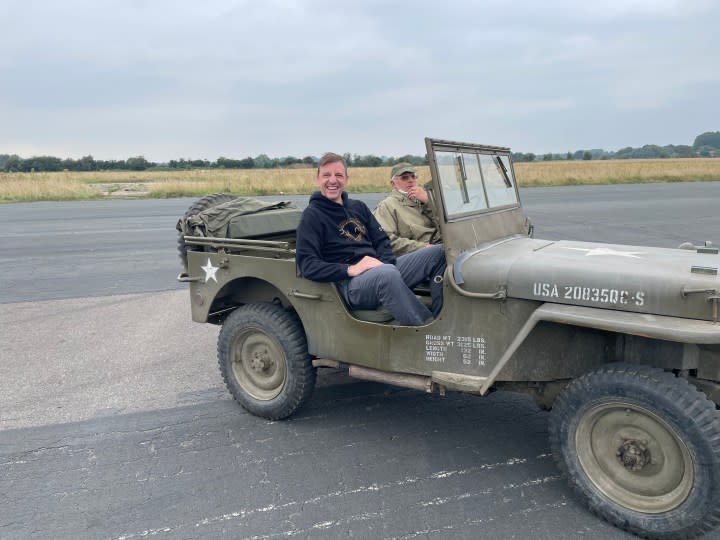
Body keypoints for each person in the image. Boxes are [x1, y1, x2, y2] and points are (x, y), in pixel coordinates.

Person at [295, 153, 445, 326]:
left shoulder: (358, 207)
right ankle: (429, 329)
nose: (333, 180)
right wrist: (351, 269)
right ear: (318, 179)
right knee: (387, 275)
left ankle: (442, 316)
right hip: (350, 285)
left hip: (380, 270)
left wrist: (385, 262)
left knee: (438, 252)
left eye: (338, 175)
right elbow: (307, 264)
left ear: (346, 179)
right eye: (326, 175)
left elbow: (382, 240)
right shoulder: (312, 216)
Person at [373, 162, 442, 256]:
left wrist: (428, 202)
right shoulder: (387, 205)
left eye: (413, 177)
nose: (411, 180)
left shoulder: (424, 199)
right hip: (418, 254)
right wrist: (422, 247)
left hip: (441, 244)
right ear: (393, 184)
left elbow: (445, 225)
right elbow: (385, 240)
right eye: (404, 177)